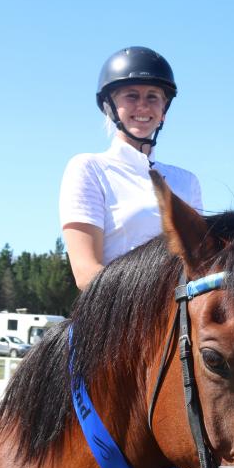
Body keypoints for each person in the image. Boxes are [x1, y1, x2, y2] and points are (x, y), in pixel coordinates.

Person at [59, 46, 202, 290]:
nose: (143, 107)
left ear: (163, 111)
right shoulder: (89, 169)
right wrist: (155, 296)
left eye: (152, 97)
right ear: (110, 106)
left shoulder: (187, 182)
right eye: (132, 96)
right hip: (113, 315)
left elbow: (198, 261)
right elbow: (85, 273)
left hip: (177, 318)